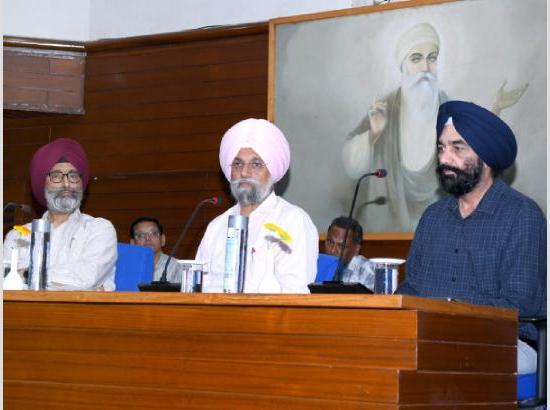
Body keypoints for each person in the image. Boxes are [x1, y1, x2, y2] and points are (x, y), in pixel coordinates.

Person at [397, 100, 546, 375]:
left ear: (485, 158)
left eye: (457, 148)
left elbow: (521, 304)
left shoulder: (522, 214)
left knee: (441, 361)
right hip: (431, 338)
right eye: (441, 148)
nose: (444, 159)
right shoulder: (432, 217)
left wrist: (450, 310)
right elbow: (412, 289)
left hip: (506, 342)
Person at [342, 22, 527, 231]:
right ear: (402, 67)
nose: (425, 68)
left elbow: (477, 153)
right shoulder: (385, 108)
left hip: (449, 224)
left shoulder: (449, 109)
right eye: (416, 58)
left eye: (432, 58)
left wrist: (496, 108)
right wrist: (373, 135)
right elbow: (351, 166)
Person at [196, 118, 319, 293]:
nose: (244, 172)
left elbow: (295, 293)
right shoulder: (216, 227)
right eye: (237, 164)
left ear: (272, 171)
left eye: (256, 164)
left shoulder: (292, 221)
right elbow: (199, 289)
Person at [3, 138, 117, 290]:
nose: (67, 184)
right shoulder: (18, 235)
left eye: (73, 176)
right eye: (56, 176)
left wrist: (26, 275)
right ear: (42, 183)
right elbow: (5, 282)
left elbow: (86, 277)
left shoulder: (98, 229)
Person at [325, 216, 374, 290]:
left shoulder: (365, 269)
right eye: (330, 242)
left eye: (341, 246)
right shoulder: (316, 264)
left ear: (356, 249)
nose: (332, 250)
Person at [130, 216, 182, 283]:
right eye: (141, 235)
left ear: (162, 240)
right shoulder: (123, 268)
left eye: (153, 234)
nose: (148, 239)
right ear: (132, 243)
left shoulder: (178, 267)